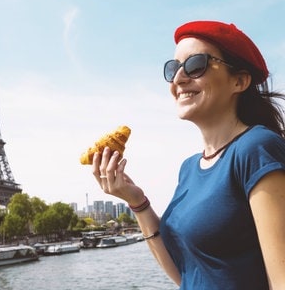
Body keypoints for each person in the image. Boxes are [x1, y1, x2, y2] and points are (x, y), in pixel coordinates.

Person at [92, 21, 285, 289]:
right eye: (173, 69)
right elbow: (187, 274)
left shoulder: (257, 148)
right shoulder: (189, 168)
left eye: (196, 65)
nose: (179, 78)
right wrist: (136, 201)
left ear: (239, 81)